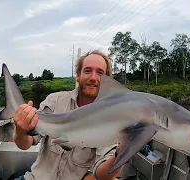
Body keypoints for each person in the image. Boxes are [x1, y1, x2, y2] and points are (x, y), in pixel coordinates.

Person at [13, 50, 123, 180]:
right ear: (78, 75)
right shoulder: (54, 101)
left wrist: (124, 151)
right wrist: (20, 131)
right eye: (87, 71)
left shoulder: (109, 121)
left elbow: (102, 175)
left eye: (100, 73)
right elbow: (25, 144)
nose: (93, 77)